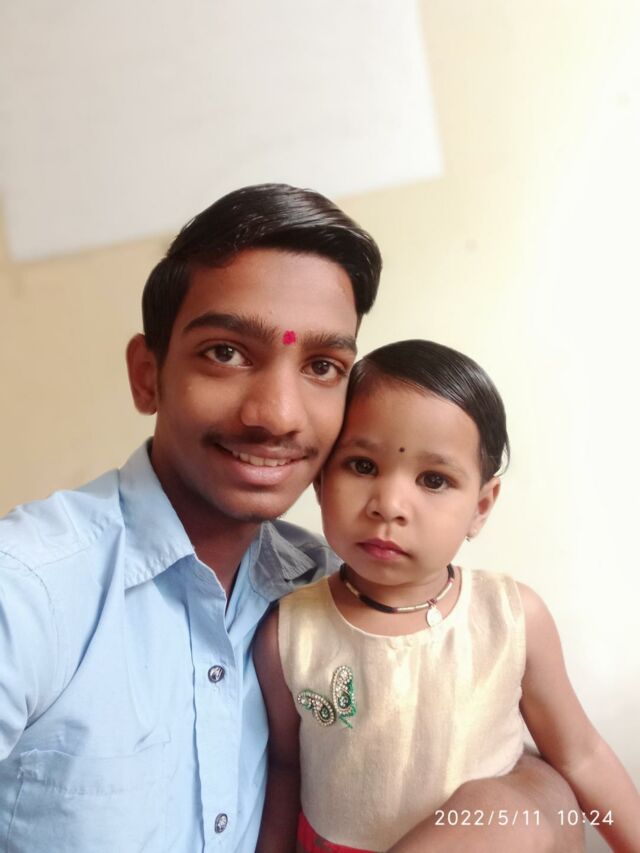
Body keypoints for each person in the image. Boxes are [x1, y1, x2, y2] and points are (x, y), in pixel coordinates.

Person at [0, 185, 582, 853]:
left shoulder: (341, 592)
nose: (276, 414)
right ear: (147, 375)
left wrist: (518, 803)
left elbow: (514, 766)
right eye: (225, 352)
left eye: (322, 366)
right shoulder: (29, 590)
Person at [254, 339, 640, 853]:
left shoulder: (511, 618)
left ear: (481, 506)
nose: (389, 504)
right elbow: (285, 769)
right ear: (321, 481)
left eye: (433, 479)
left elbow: (581, 755)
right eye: (362, 466)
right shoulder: (287, 631)